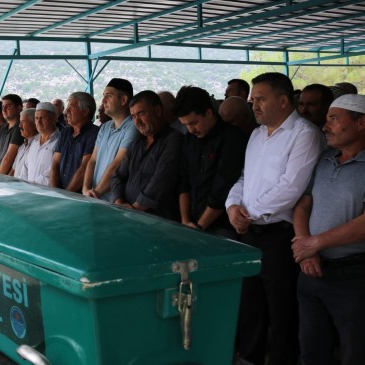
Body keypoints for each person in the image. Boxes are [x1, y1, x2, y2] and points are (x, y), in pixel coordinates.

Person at [225, 72, 323, 365]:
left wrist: (248, 214)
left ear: (283, 101)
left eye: (261, 99)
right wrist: (232, 207)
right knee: (251, 305)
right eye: (253, 99)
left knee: (281, 311)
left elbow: (291, 188)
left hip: (280, 234)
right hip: (250, 230)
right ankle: (251, 359)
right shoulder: (257, 135)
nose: (253, 105)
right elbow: (245, 178)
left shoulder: (305, 135)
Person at [292, 94, 365, 365]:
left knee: (354, 352)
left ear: (361, 123)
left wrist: (316, 243)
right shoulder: (325, 159)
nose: (325, 126)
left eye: (334, 119)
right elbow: (303, 204)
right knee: (311, 349)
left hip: (353, 277)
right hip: (312, 270)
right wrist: (305, 246)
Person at [175, 87, 247, 238]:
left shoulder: (232, 139)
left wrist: (199, 228)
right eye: (185, 124)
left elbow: (221, 190)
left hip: (222, 225)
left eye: (193, 123)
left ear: (208, 113)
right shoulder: (189, 139)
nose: (190, 129)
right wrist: (185, 221)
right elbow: (183, 181)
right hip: (190, 222)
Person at [109, 90, 182, 219]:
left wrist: (135, 208)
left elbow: (162, 180)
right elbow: (118, 176)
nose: (137, 122)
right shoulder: (136, 143)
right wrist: (119, 202)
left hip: (157, 220)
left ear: (158, 111)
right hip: (128, 214)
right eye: (133, 116)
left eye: (141, 114)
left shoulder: (173, 139)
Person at [83, 78, 139, 202]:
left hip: (115, 201)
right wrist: (85, 188)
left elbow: (117, 164)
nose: (103, 101)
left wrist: (95, 193)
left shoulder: (133, 127)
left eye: (109, 96)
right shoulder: (105, 127)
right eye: (103, 96)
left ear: (123, 100)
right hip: (96, 197)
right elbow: (92, 160)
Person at [50, 92, 100, 192]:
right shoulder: (65, 132)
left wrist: (67, 195)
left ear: (85, 111)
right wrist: (55, 192)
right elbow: (55, 163)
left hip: (78, 197)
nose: (66, 111)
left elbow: (85, 167)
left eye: (71, 107)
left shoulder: (95, 133)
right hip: (59, 194)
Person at [21, 102, 60, 185]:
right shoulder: (34, 142)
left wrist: (32, 186)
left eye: (42, 118)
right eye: (36, 118)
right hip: (28, 190)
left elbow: (52, 172)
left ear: (53, 119)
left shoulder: (60, 142)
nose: (39, 122)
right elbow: (25, 168)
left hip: (45, 192)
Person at [0, 94, 24, 174]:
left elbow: (10, 156)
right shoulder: (2, 127)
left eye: (8, 106)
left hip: (8, 177)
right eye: (3, 107)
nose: (4, 109)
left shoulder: (20, 127)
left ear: (19, 108)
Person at [11, 108, 39, 178]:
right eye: (20, 122)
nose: (19, 126)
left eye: (23, 122)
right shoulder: (22, 147)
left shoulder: (38, 146)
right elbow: (14, 170)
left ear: (34, 125)